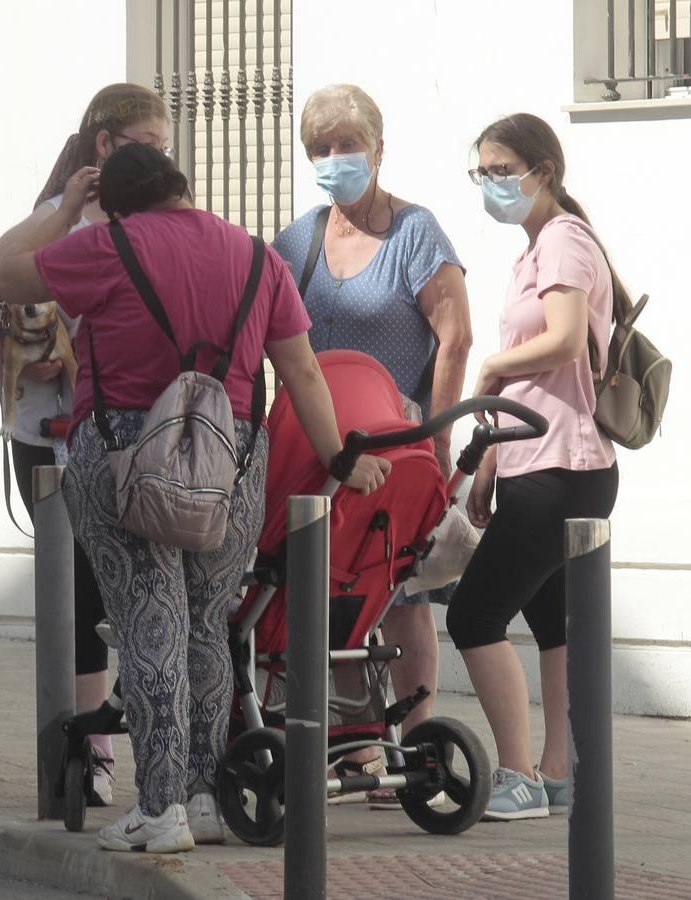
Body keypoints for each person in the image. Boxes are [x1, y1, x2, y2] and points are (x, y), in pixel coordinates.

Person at [0, 143, 390, 853]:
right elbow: (299, 366)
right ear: (180, 186)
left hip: (122, 458)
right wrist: (338, 457)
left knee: (150, 625)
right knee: (208, 626)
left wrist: (65, 212)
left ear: (113, 202)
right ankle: (206, 799)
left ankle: (159, 807)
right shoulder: (257, 256)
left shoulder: (107, 245)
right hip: (231, 464)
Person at [0, 82, 172, 805]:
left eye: (165, 146)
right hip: (49, 435)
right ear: (104, 146)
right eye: (147, 143)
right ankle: (91, 758)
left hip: (128, 431)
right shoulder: (56, 219)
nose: (159, 157)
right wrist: (10, 358)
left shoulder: (162, 218)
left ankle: (150, 752)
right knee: (75, 591)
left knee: (133, 587)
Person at [272, 85, 472, 805]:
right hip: (319, 456)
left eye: (347, 145)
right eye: (320, 149)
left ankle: (414, 740)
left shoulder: (415, 232)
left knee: (403, 595)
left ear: (379, 149)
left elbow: (456, 337)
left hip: (398, 446)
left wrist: (439, 437)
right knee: (330, 596)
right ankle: (351, 746)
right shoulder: (296, 243)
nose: (335, 160)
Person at [448, 113, 621, 821]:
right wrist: (490, 462)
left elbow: (565, 341)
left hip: (565, 471)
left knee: (473, 614)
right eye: (481, 173)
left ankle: (517, 775)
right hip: (537, 463)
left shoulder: (564, 242)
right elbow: (532, 386)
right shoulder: (535, 249)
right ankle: (557, 773)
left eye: (499, 171)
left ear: (540, 172)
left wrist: (488, 367)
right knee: (553, 624)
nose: (490, 184)